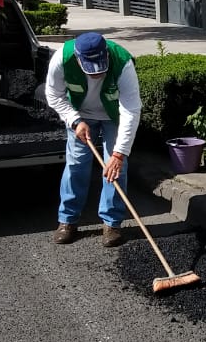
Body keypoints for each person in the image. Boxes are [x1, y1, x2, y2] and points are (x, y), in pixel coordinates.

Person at [44, 31, 141, 247]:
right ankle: (67, 221)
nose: (96, 74)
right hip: (80, 114)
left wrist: (119, 153)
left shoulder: (122, 62)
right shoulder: (61, 59)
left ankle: (112, 223)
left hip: (113, 116)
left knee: (116, 168)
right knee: (76, 164)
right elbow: (54, 96)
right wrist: (75, 120)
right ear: (78, 59)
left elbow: (131, 110)